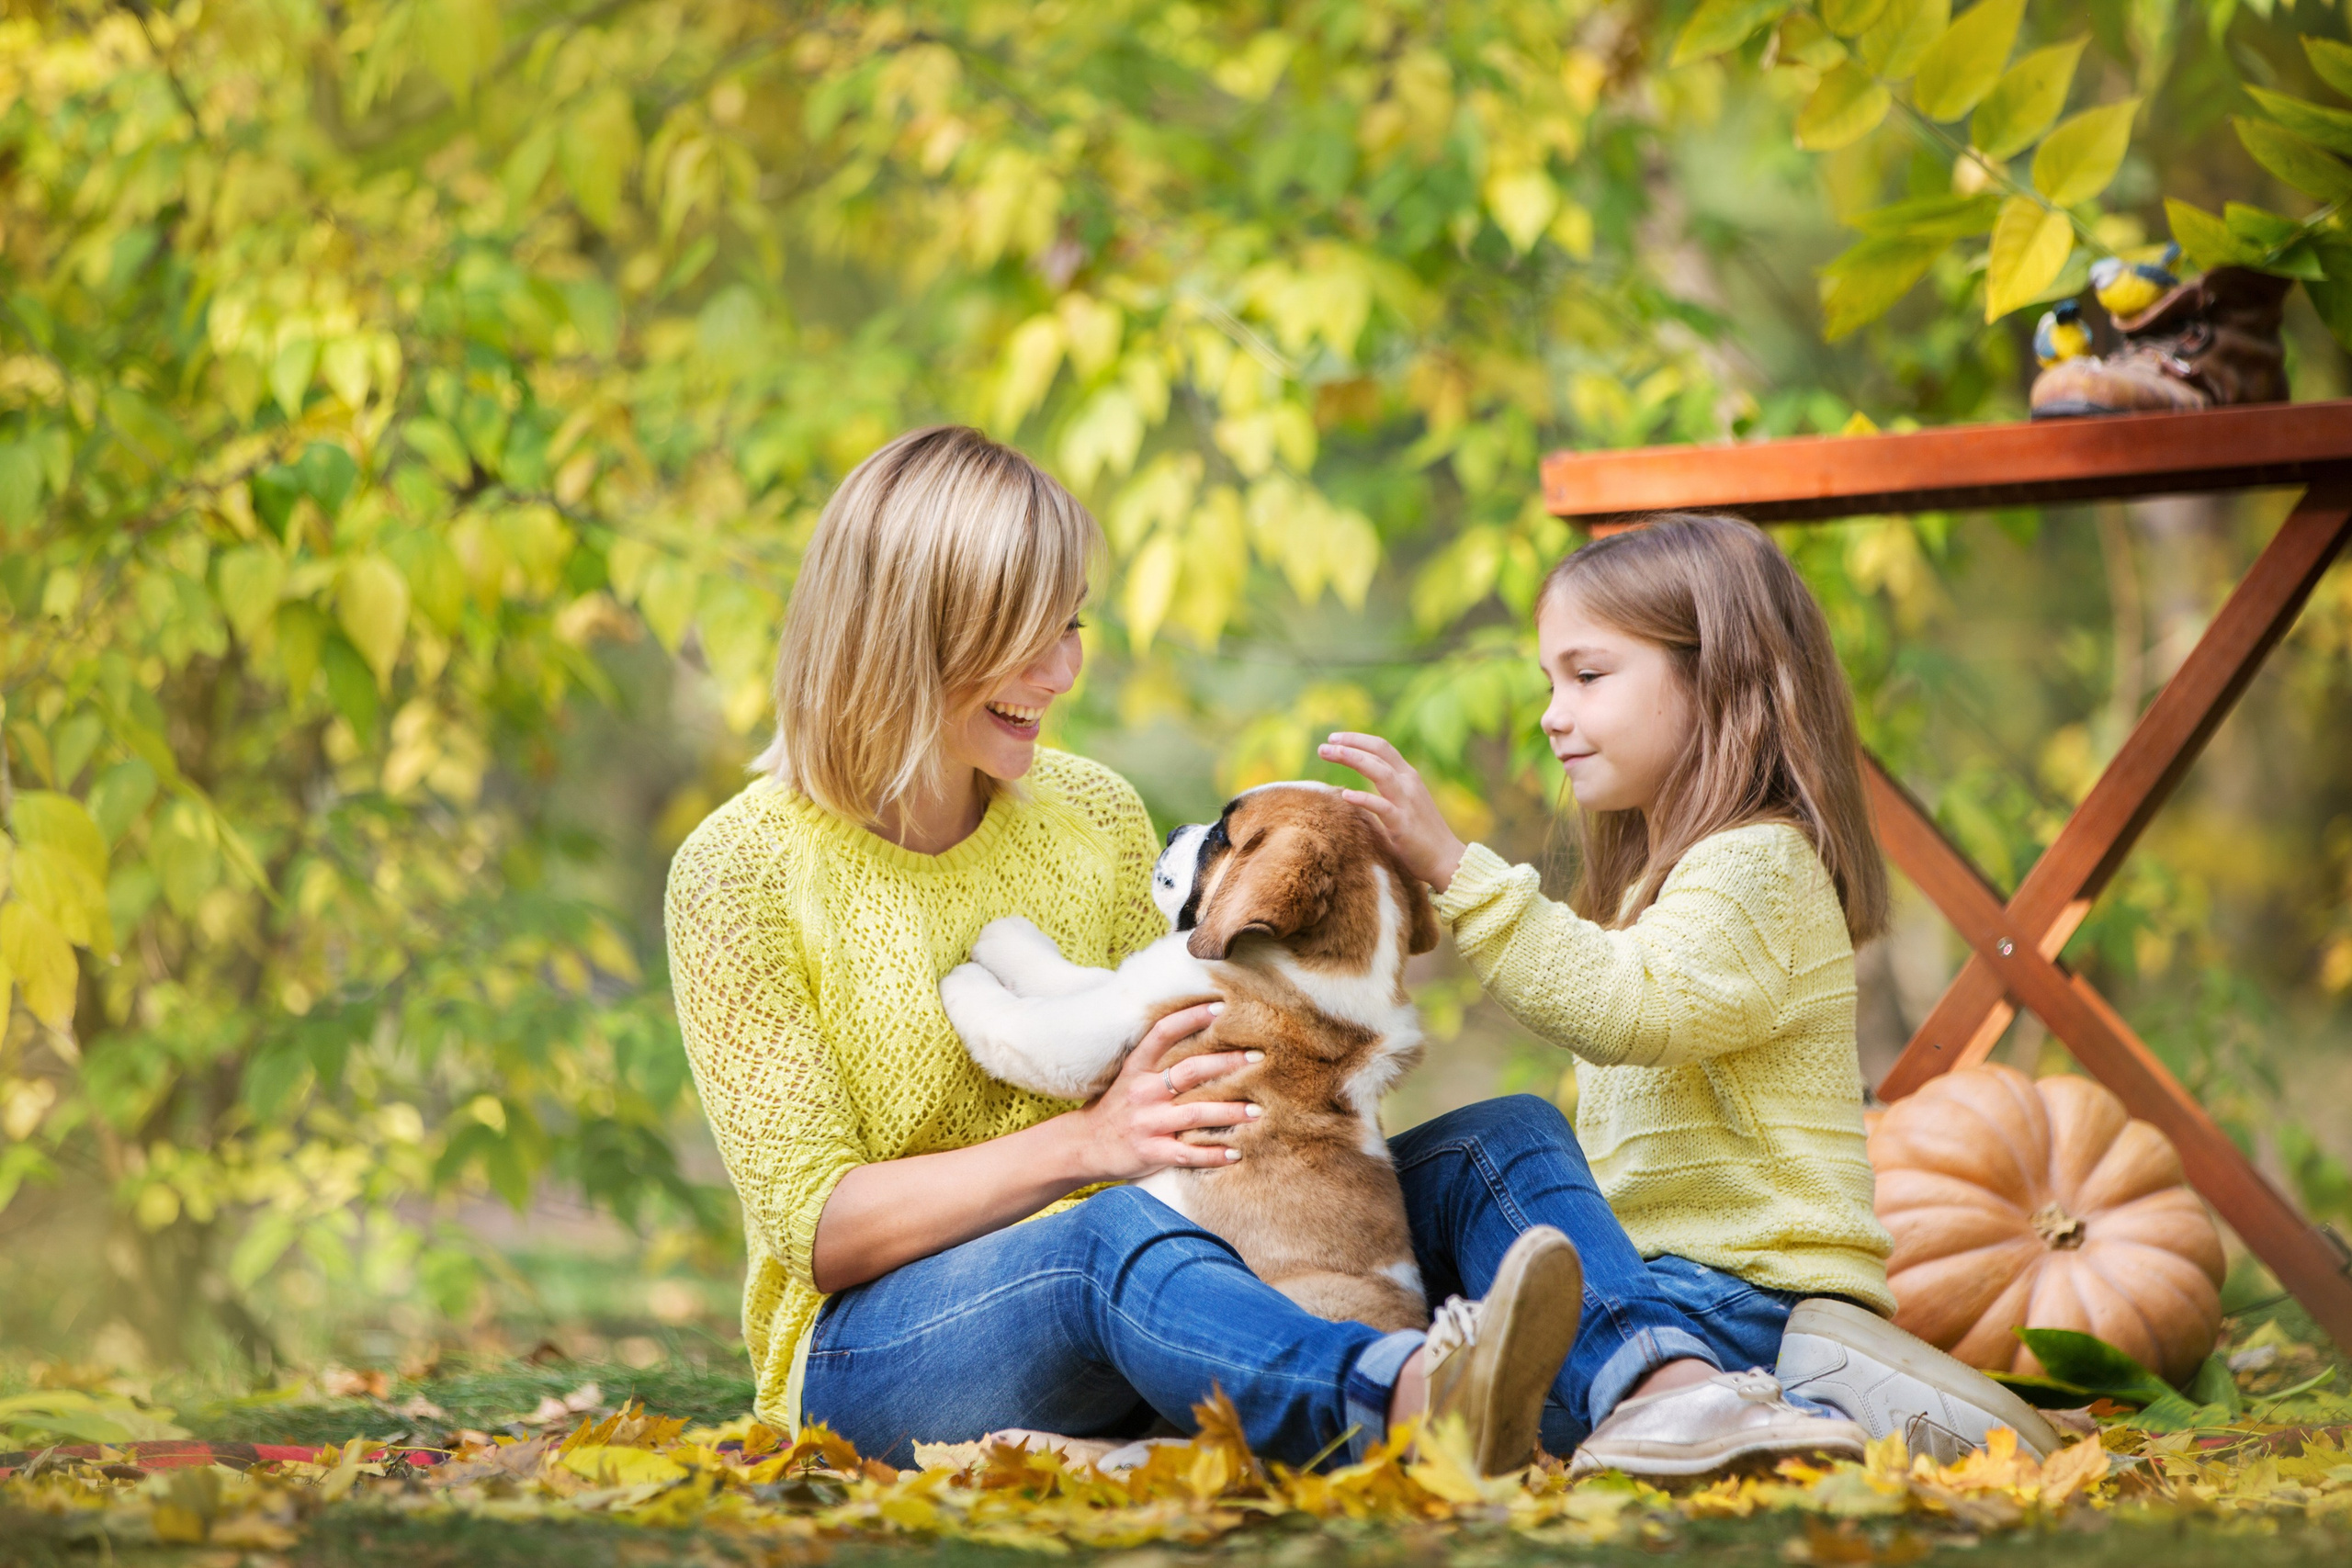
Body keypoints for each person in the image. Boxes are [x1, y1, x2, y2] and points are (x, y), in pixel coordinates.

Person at [665, 425, 1588, 1477]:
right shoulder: (740, 868)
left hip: (1164, 1251)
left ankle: (1659, 1396)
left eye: (1071, 624)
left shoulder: (1093, 810)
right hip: (873, 1353)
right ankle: (1407, 1406)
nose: (1062, 670)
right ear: (908, 631)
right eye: (1024, 634)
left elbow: (1177, 1064)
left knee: (1498, 1143)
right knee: (1110, 1238)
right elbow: (821, 1229)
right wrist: (1088, 1146)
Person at [1320, 513, 2051, 1476]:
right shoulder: (1657, 888)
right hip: (1658, 1294)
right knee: (1367, 1194)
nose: (1551, 712)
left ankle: (1744, 1392)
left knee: (1500, 1146)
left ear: (1717, 677)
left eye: (1586, 676)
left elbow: (1630, 1010)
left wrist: (1457, 870)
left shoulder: (1759, 865)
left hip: (1739, 1299)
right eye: (1550, 682)